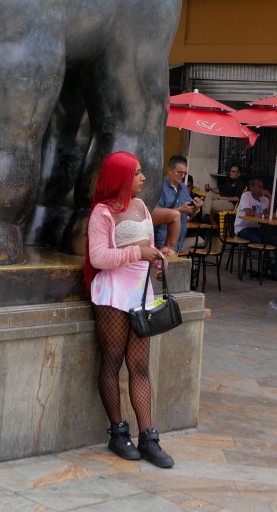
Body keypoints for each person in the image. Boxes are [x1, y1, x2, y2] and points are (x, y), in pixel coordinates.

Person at [85, 151, 174, 468]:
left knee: (140, 366)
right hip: (112, 295)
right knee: (112, 362)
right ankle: (117, 432)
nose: (143, 177)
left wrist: (157, 262)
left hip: (142, 294)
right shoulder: (102, 213)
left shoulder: (142, 208)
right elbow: (98, 258)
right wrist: (138, 252)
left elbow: (147, 250)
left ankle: (149, 438)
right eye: (137, 173)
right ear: (121, 177)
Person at [152, 155, 203, 252]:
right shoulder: (159, 187)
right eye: (179, 172)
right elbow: (155, 214)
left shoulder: (184, 188)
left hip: (180, 238)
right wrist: (179, 210)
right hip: (163, 239)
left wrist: (196, 208)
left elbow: (190, 213)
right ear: (170, 170)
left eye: (185, 173)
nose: (182, 176)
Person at [233, 178, 269, 243]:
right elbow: (248, 212)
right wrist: (263, 213)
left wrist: (270, 196)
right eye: (259, 187)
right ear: (251, 187)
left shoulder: (264, 199)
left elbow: (269, 213)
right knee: (259, 241)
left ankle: (269, 253)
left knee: (271, 241)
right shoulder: (246, 195)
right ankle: (262, 253)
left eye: (262, 187)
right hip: (242, 227)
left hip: (255, 227)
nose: (261, 189)